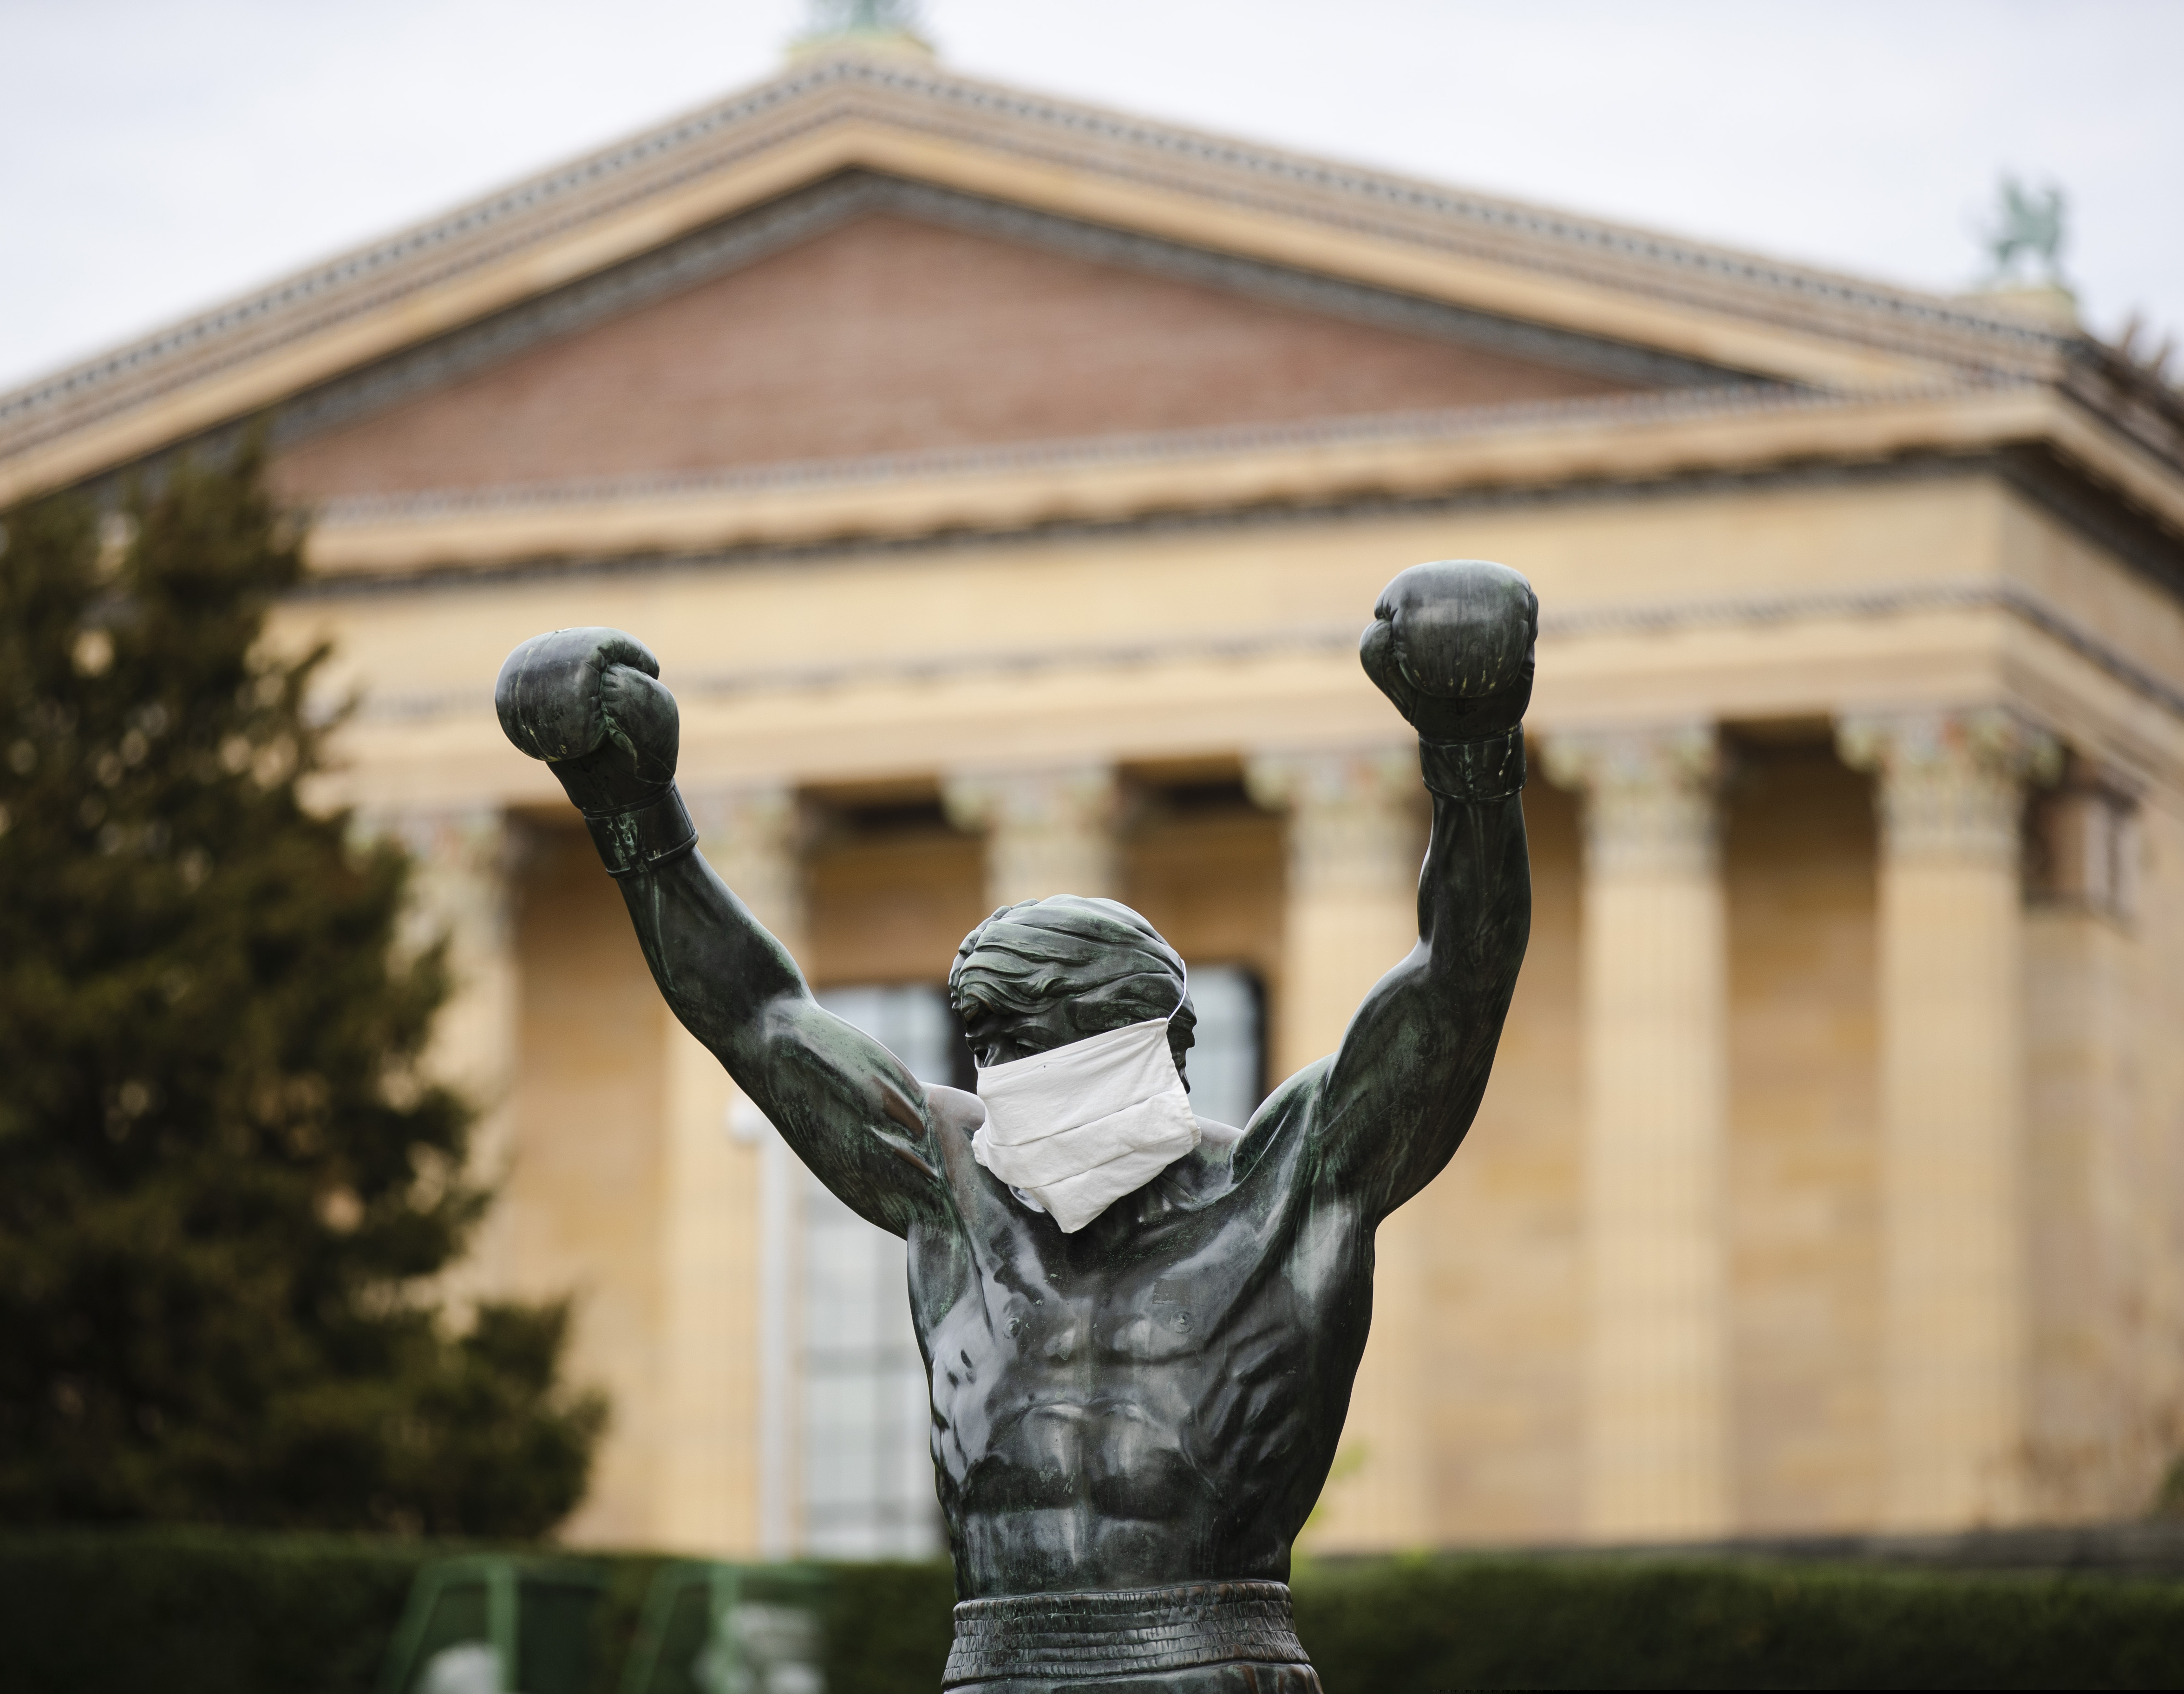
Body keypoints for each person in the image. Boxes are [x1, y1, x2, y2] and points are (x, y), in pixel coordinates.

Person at [496, 559, 1536, 1693]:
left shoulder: (1296, 1180)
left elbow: (1459, 984)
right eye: (991, 1049)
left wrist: (1472, 756)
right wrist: (632, 810)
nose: (1010, 1079)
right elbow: (755, 1015)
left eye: (1051, 1040)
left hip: (1212, 1669)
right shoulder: (952, 1186)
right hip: (993, 1671)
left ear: (1164, 1044)